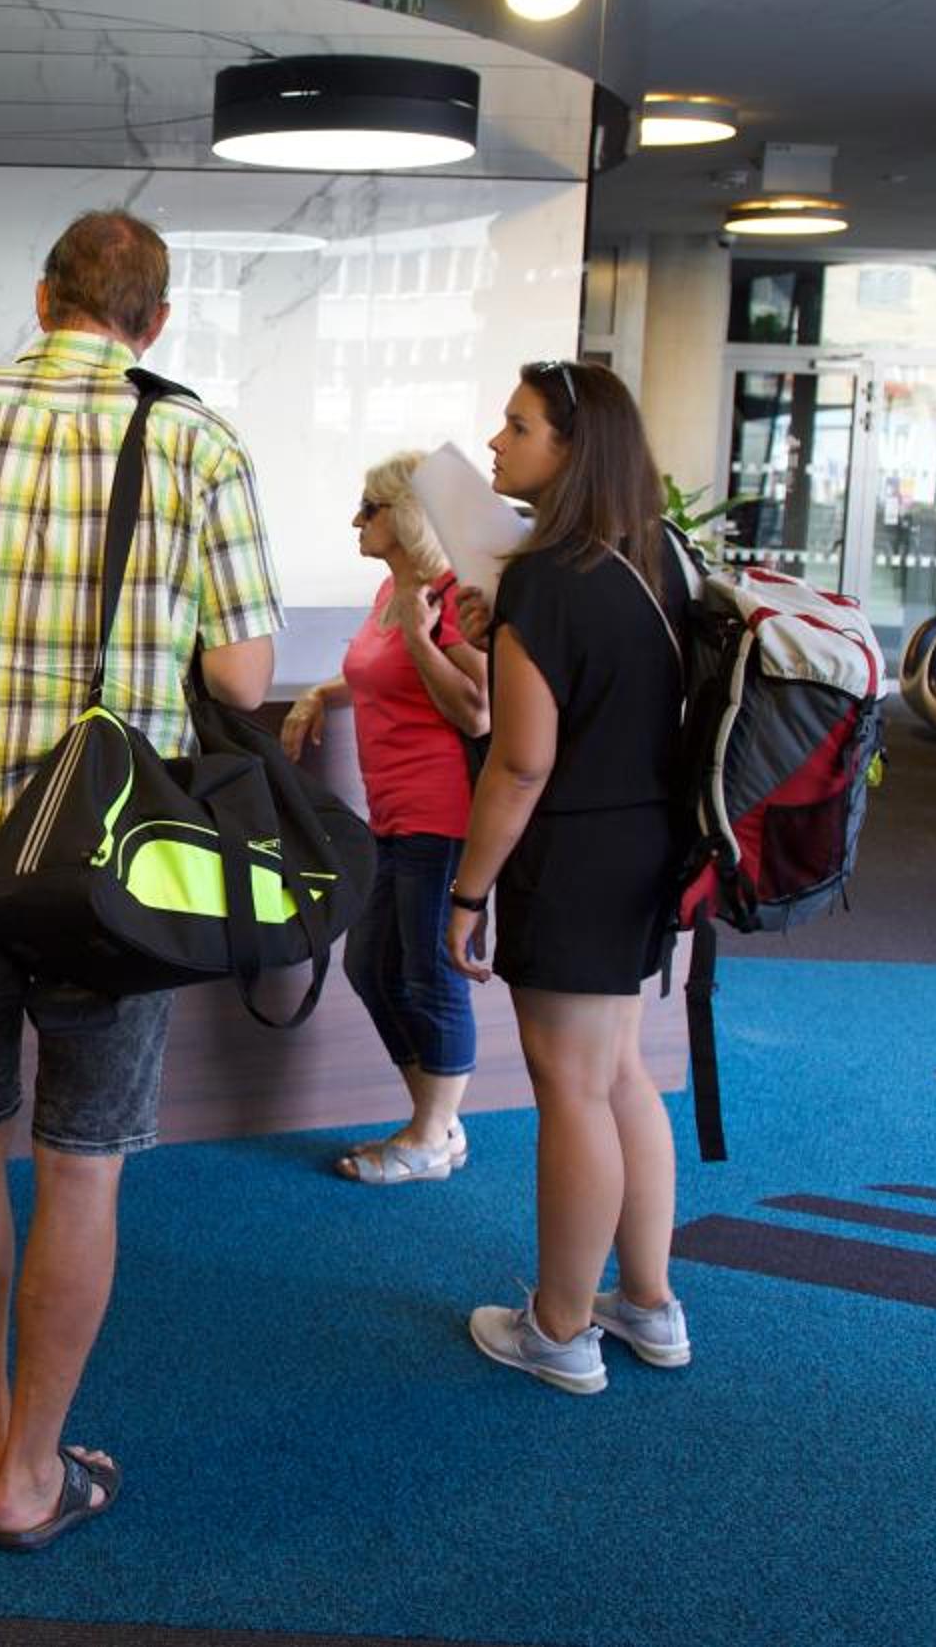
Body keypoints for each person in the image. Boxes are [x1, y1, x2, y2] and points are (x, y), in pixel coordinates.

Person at [0, 209, 282, 1549]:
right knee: (84, 1160)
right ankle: (35, 1467)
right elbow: (243, 675)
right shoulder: (199, 441)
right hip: (110, 860)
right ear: (156, 322)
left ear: (43, 299)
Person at [446, 359, 692, 1397]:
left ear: (570, 448)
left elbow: (522, 763)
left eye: (517, 426)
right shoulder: (658, 559)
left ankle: (559, 1327)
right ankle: (648, 1303)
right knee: (622, 1073)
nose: (495, 443)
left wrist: (467, 893)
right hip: (650, 847)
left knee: (575, 1090)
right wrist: (496, 636)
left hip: (575, 854)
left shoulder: (548, 576)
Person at [279, 451, 488, 1185]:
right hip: (391, 813)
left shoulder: (451, 597)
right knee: (370, 966)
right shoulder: (390, 591)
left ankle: (431, 1136)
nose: (356, 521)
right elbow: (377, 671)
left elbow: (477, 709)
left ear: (407, 515)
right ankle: (436, 1122)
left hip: (442, 815)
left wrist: (426, 638)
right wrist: (319, 693)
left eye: (370, 508)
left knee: (429, 973)